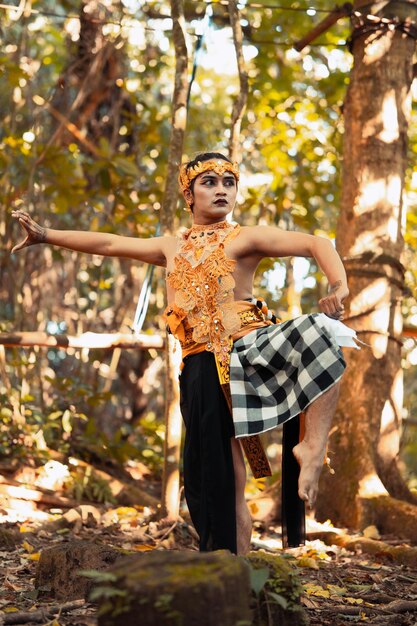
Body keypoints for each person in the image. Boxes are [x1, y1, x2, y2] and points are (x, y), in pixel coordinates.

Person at [11, 151, 349, 556]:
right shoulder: (171, 247)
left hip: (247, 351)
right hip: (200, 366)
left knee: (328, 333)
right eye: (210, 182)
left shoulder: (244, 237)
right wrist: (46, 234)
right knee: (217, 480)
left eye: (229, 182)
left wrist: (338, 284)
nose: (222, 189)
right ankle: (231, 573)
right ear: (189, 194)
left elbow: (316, 242)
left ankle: (311, 446)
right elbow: (109, 242)